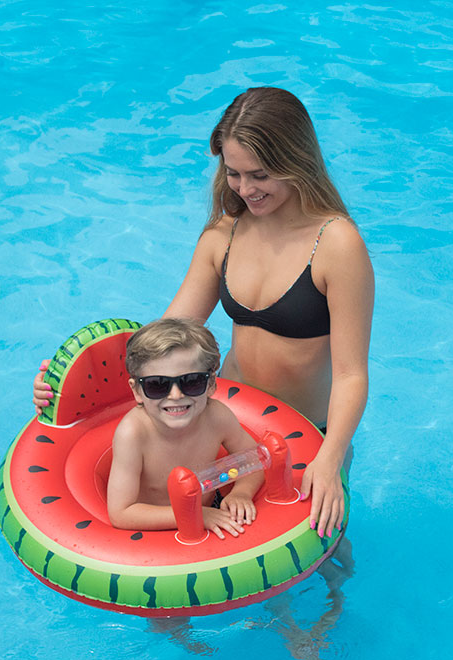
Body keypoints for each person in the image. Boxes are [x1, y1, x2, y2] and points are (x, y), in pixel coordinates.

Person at [35, 87, 373, 540]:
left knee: (323, 554)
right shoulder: (223, 235)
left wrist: (330, 459)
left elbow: (351, 373)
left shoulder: (337, 245)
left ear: (297, 162)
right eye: (233, 173)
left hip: (308, 432)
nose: (246, 189)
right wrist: (72, 383)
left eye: (260, 174)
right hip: (225, 421)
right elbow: (165, 338)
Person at [106, 317, 263, 539]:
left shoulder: (217, 416)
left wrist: (241, 493)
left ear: (210, 384)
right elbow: (122, 513)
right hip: (153, 529)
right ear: (137, 392)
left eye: (191, 381)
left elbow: (255, 459)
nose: (176, 395)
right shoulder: (133, 434)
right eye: (157, 385)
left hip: (210, 510)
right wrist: (196, 514)